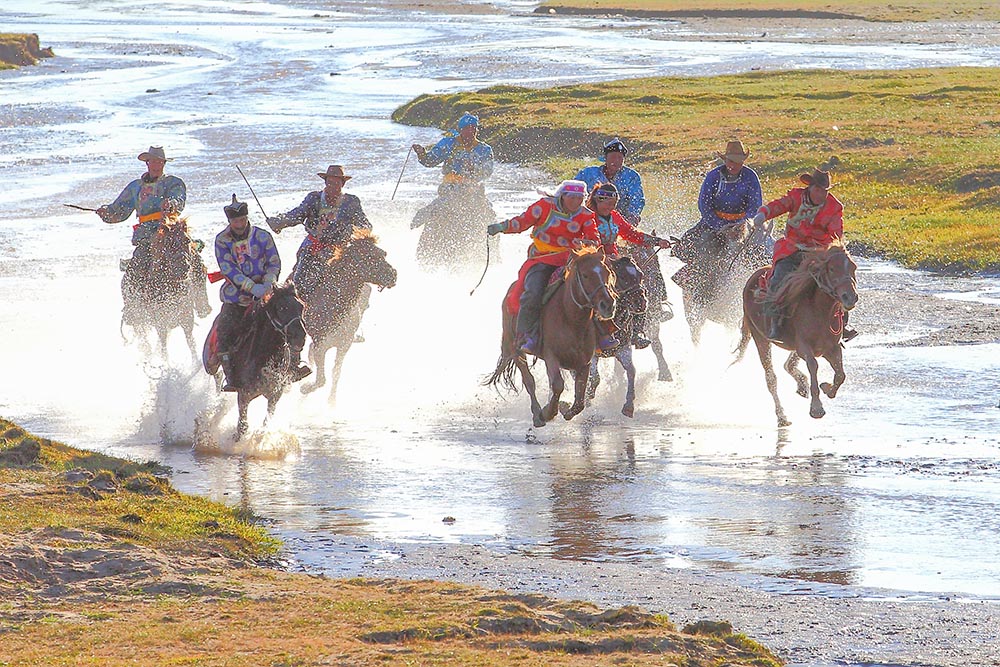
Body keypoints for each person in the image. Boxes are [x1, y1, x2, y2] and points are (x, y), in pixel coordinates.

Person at [487, 179, 603, 356]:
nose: (576, 202)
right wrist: (502, 226)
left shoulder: (586, 215)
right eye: (571, 197)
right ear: (562, 196)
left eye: (579, 198)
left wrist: (586, 242)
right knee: (532, 292)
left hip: (571, 260)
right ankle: (525, 334)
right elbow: (522, 222)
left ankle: (603, 333)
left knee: (596, 288)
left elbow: (594, 239)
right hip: (542, 259)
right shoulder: (543, 206)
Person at [214, 195, 310, 392]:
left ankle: (294, 365)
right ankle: (231, 375)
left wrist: (268, 282)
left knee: (290, 315)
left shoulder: (263, 236)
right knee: (225, 328)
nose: (239, 224)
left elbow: (274, 261)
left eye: (242, 220)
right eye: (235, 221)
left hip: (267, 291)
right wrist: (250, 287)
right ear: (230, 221)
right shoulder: (222, 241)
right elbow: (228, 268)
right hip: (237, 296)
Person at [752, 167, 857, 342]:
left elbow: (836, 233)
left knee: (838, 280)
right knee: (779, 278)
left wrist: (830, 249)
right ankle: (775, 321)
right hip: (792, 249)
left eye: (824, 191)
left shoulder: (834, 207)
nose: (820, 194)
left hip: (819, 254)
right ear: (810, 187)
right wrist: (763, 214)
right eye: (817, 190)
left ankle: (842, 323)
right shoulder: (795, 197)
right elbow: (778, 205)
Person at [266, 164, 371, 301]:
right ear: (325, 183)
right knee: (299, 281)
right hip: (313, 247)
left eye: (336, 183)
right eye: (329, 183)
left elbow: (365, 225)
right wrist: (280, 221)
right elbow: (297, 214)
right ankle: (294, 303)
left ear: (342, 184)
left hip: (340, 249)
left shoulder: (351, 202)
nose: (332, 186)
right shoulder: (314, 198)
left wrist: (351, 231)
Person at [587, 182, 671, 349]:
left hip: (613, 258)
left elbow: (632, 234)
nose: (610, 208)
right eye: (607, 204)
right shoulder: (586, 216)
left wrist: (656, 241)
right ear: (597, 201)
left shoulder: (615, 216)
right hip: (591, 259)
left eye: (613, 204)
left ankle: (636, 331)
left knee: (635, 277)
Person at [97, 145, 187, 280]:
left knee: (189, 258)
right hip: (145, 234)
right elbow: (120, 209)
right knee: (136, 270)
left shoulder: (174, 183)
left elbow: (178, 199)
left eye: (159, 161)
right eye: (153, 161)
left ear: (164, 163)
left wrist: (171, 204)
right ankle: (135, 297)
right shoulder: (135, 187)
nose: (156, 165)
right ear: (147, 163)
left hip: (169, 229)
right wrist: (107, 213)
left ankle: (199, 295)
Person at [674, 140, 763, 268]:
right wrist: (720, 226)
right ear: (725, 160)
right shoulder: (713, 176)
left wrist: (742, 225)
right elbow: (704, 206)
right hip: (714, 223)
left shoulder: (750, 177)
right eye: (731, 161)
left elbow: (755, 206)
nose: (734, 165)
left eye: (738, 162)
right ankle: (693, 281)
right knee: (700, 246)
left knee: (763, 249)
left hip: (744, 225)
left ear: (743, 162)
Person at [410, 112, 495, 232]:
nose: (470, 132)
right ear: (460, 130)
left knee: (489, 215)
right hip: (450, 189)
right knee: (435, 209)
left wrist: (475, 169)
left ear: (477, 131)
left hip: (472, 191)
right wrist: (422, 154)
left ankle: (491, 242)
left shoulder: (484, 149)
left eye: (473, 129)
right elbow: (430, 161)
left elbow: (488, 171)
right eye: (466, 129)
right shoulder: (449, 144)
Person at [574, 138, 645, 226]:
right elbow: (573, 190)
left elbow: (637, 199)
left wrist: (633, 215)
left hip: (621, 219)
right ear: (605, 158)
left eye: (620, 157)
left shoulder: (631, 176)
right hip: (590, 217)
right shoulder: (588, 173)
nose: (617, 161)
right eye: (613, 157)